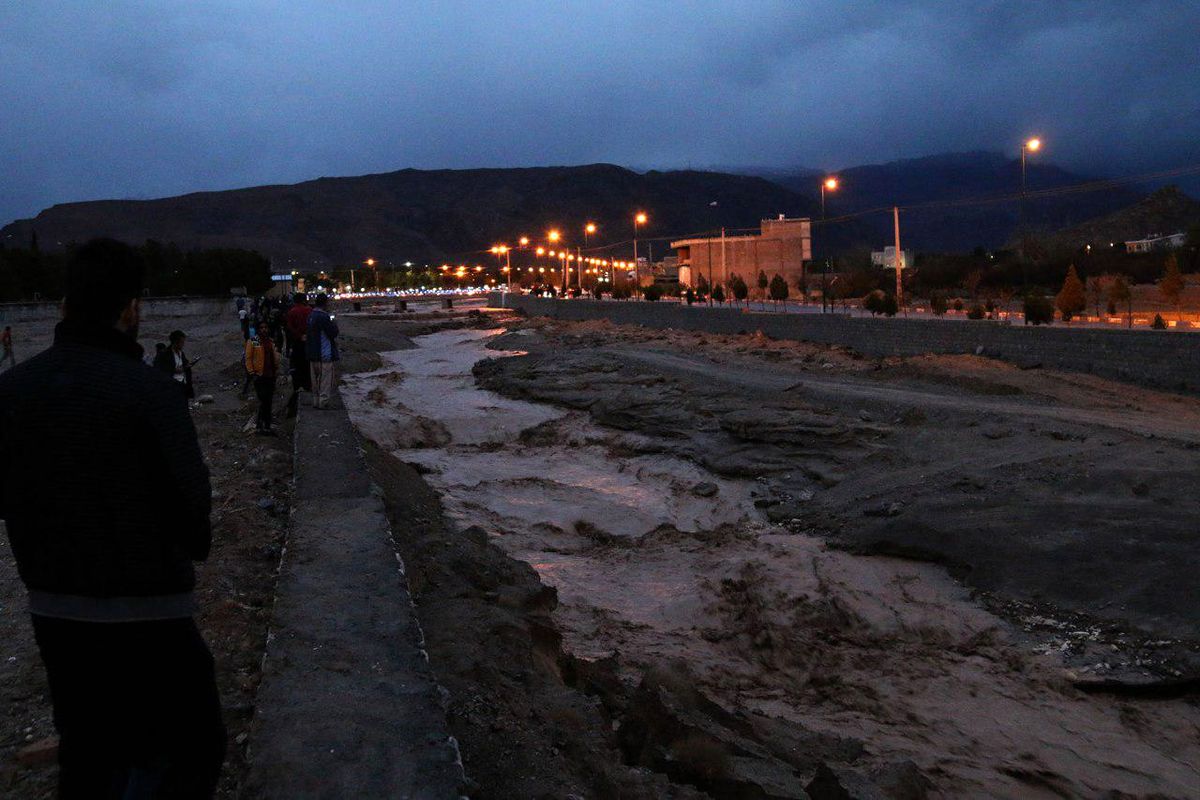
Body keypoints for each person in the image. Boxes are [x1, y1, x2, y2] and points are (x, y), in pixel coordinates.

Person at [0, 238, 223, 798]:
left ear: (62, 307)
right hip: (153, 612)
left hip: (54, 610)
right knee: (188, 748)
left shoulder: (11, 391)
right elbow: (193, 512)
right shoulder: (151, 391)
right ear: (131, 309)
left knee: (87, 749)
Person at [305, 293, 339, 409]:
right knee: (325, 381)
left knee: (315, 381)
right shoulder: (324, 317)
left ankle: (315, 401)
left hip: (312, 353)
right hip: (324, 354)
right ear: (326, 303)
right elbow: (333, 333)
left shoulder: (310, 315)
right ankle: (323, 402)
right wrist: (334, 322)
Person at [244, 330, 278, 434]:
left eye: (265, 327)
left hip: (270, 375)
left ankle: (266, 424)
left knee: (268, 401)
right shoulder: (255, 341)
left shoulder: (269, 341)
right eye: (261, 327)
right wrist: (251, 372)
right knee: (263, 400)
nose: (264, 329)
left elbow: (274, 356)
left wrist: (276, 369)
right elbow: (248, 357)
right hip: (259, 375)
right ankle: (260, 423)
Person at [285, 293, 313, 417]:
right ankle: (308, 386)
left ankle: (299, 387)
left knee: (298, 367)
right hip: (309, 344)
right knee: (308, 366)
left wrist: (298, 336)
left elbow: (289, 328)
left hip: (297, 344)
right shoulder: (310, 311)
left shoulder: (291, 312)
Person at [154, 329, 195, 401]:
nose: (183, 344)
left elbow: (185, 365)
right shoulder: (164, 354)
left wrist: (187, 366)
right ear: (176, 342)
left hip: (183, 385)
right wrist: (174, 370)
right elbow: (158, 369)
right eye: (182, 342)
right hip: (171, 386)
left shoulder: (181, 353)